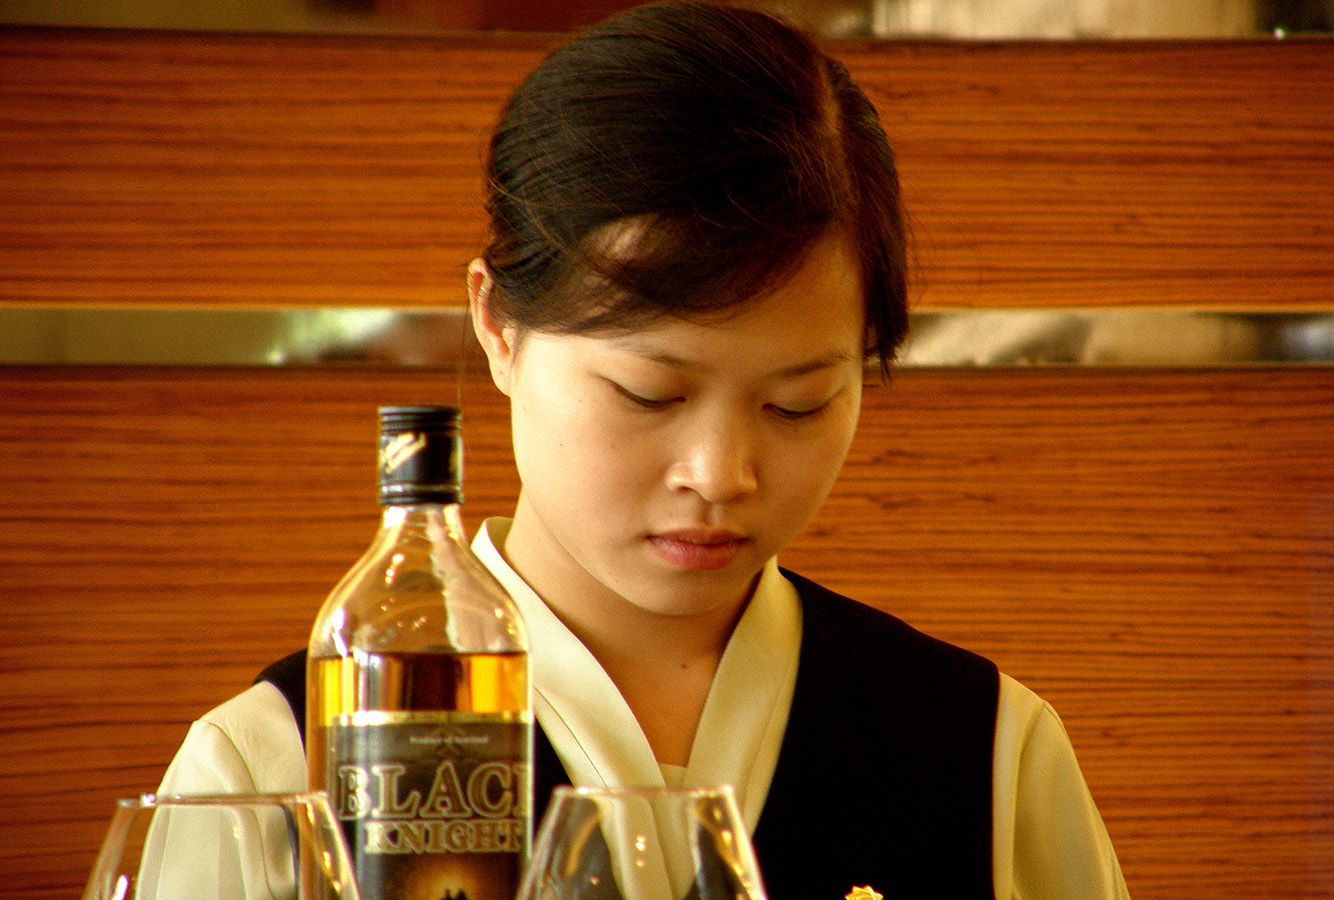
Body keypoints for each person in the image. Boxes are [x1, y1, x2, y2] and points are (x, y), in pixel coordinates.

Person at [156, 2, 1129, 897]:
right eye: (649, 393)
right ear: (498, 328)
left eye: (798, 404)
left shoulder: (984, 754)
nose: (720, 475)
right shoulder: (275, 771)